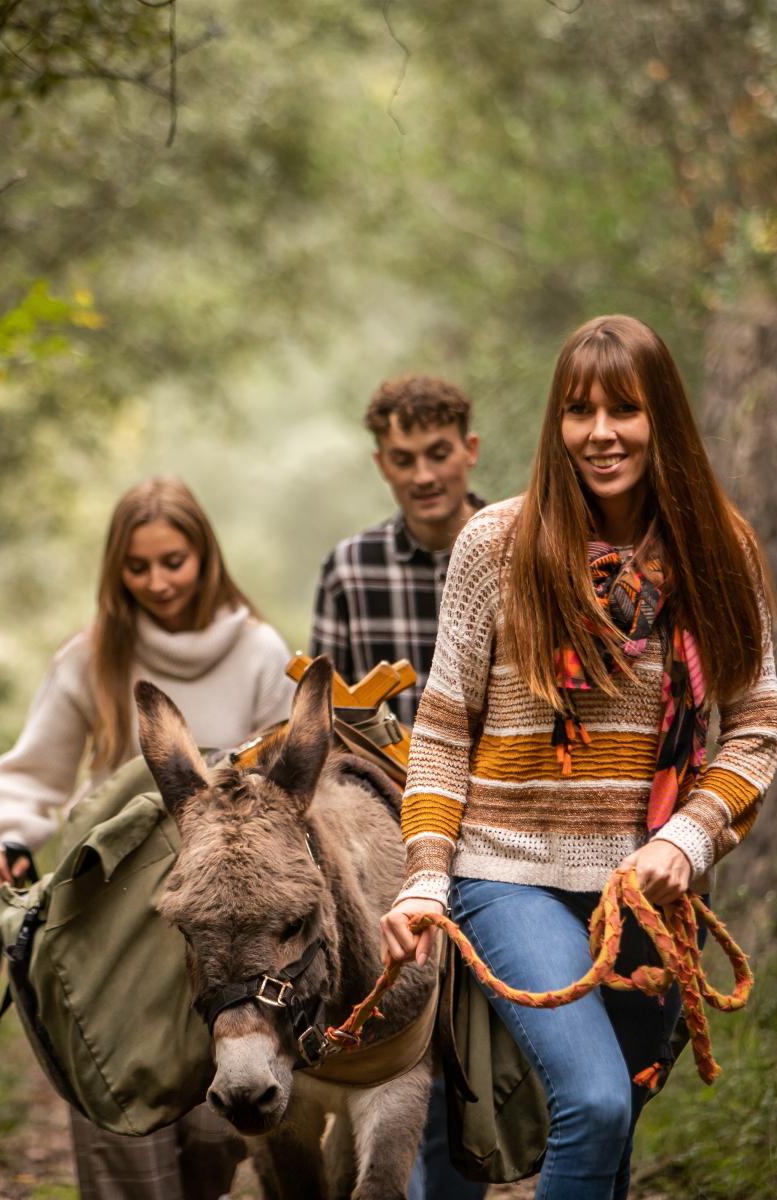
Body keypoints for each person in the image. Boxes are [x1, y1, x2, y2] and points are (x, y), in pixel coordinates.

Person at [379, 315, 777, 1200]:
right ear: (555, 425)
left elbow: (755, 728)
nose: (599, 433)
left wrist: (689, 837)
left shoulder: (720, 550)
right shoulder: (497, 546)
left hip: (647, 891)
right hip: (509, 874)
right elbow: (444, 731)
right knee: (594, 1103)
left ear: (662, 420)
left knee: (617, 1129)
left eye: (624, 410)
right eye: (578, 411)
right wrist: (423, 875)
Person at [0, 475, 294, 1200]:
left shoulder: (258, 649)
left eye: (173, 561)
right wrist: (11, 836)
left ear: (204, 557)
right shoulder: (94, 655)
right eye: (138, 565)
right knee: (119, 1084)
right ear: (117, 567)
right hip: (115, 907)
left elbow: (286, 782)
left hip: (222, 917)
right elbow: (37, 769)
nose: (157, 581)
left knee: (219, 1120)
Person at [310, 373, 488, 1200]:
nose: (425, 474)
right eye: (405, 458)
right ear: (382, 463)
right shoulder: (350, 569)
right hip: (388, 837)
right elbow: (324, 722)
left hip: (490, 821)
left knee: (465, 1045)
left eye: (439, 454)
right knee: (399, 1024)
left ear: (469, 452)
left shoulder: (514, 548)